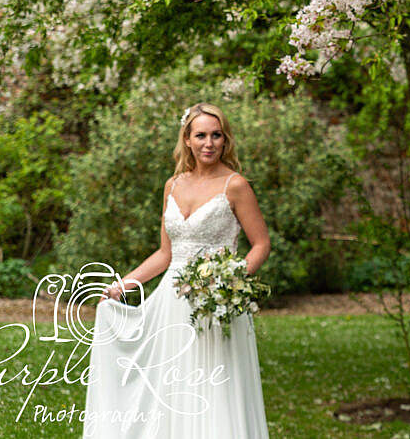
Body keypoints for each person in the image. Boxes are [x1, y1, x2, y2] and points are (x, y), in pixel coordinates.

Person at [83, 102, 271, 438]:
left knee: (213, 384)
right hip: (171, 303)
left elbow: (261, 244)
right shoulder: (173, 185)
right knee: (173, 387)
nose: (209, 143)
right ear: (187, 139)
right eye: (201, 135)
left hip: (216, 306)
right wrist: (122, 285)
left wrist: (231, 285)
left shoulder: (236, 185)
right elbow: (166, 254)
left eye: (216, 136)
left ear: (225, 141)